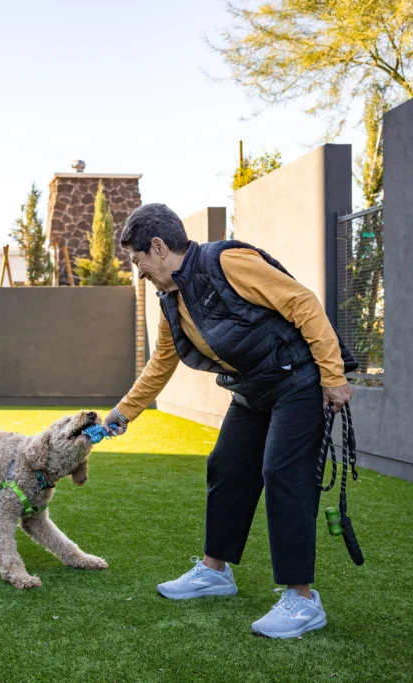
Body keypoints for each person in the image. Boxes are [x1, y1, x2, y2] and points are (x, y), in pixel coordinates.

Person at [104, 203, 356, 639]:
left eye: (137, 259)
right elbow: (163, 360)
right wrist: (124, 412)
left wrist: (332, 376)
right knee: (227, 466)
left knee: (283, 473)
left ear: (159, 247)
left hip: (299, 380)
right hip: (252, 389)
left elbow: (302, 302)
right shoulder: (171, 298)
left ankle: (303, 599)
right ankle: (215, 572)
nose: (137, 270)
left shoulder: (226, 262)